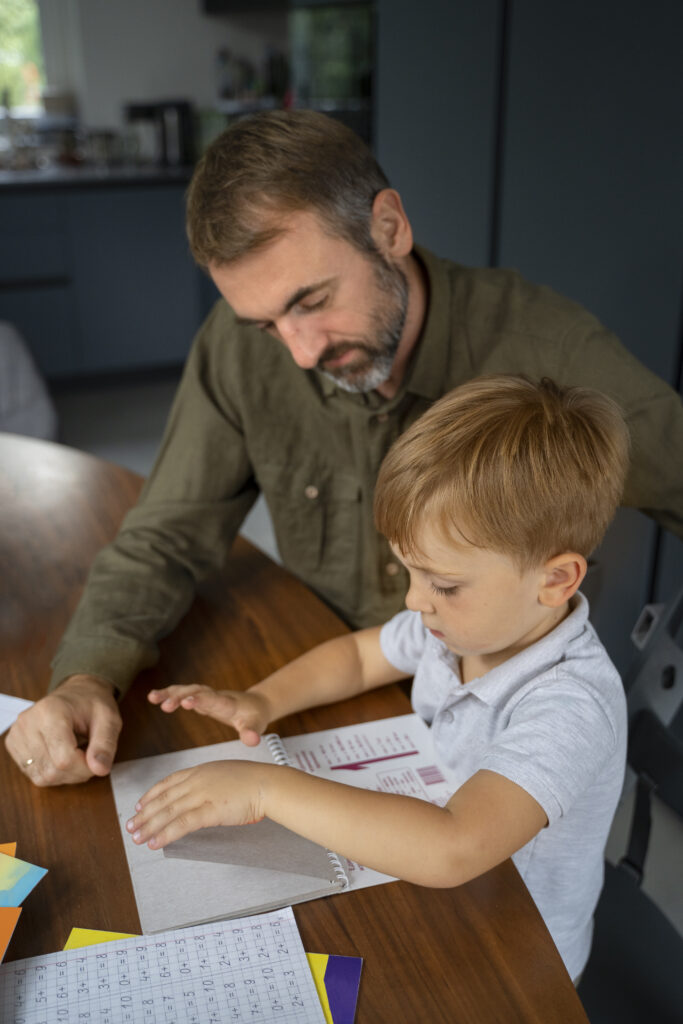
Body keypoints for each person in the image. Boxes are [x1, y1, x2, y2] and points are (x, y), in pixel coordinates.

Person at [6, 110, 682, 787]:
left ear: (388, 227)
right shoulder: (241, 346)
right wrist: (85, 677)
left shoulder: (549, 355)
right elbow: (164, 536)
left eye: (312, 300)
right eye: (266, 324)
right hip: (327, 689)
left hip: (498, 749)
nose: (301, 352)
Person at [125, 375, 629, 984]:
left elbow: (454, 846)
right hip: (445, 895)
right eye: (407, 571)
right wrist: (263, 699)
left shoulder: (570, 705)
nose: (416, 601)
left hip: (516, 955)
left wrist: (267, 790)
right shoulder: (468, 627)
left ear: (555, 581)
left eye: (442, 584)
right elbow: (363, 657)